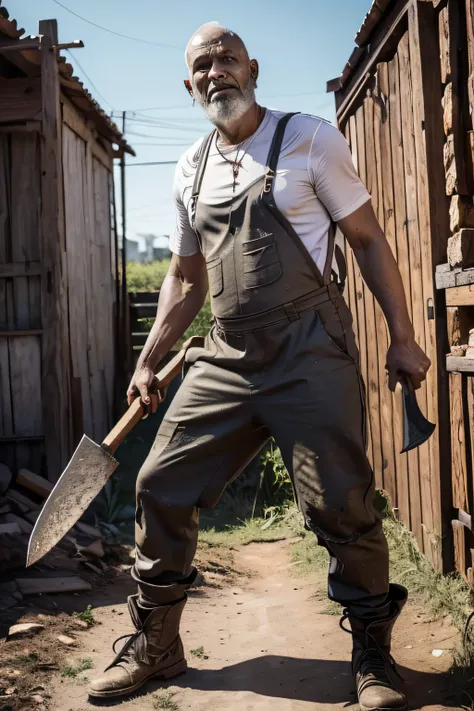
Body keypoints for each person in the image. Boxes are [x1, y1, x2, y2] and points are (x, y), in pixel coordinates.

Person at [89, 22, 430, 710]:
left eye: (227, 59)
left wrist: (402, 333)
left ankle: (372, 653)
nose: (216, 73)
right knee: (160, 482)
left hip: (309, 349)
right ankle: (158, 644)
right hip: (229, 353)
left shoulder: (308, 139)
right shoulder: (191, 166)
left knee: (341, 501)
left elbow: (365, 239)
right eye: (202, 67)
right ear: (189, 87)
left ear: (252, 68)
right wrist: (149, 359)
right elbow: (187, 279)